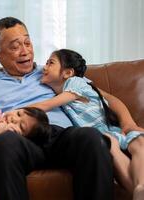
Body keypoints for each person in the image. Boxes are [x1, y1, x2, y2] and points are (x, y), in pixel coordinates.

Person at [0, 17, 139, 200]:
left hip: (59, 135)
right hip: (17, 138)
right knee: (4, 143)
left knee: (90, 137)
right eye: (15, 46)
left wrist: (128, 123)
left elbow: (104, 98)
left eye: (27, 42)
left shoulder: (53, 73)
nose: (25, 51)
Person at [30, 48, 144, 199]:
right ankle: (137, 191)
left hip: (110, 129)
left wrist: (16, 111)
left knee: (139, 140)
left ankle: (141, 185)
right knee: (112, 145)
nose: (44, 67)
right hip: (103, 136)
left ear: (68, 73)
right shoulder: (66, 88)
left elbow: (47, 105)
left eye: (50, 63)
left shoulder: (75, 83)